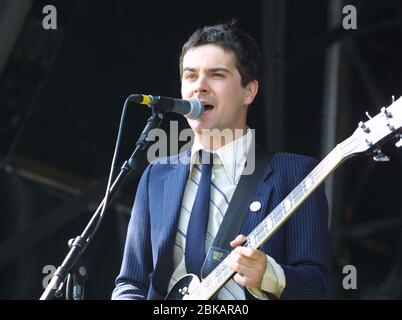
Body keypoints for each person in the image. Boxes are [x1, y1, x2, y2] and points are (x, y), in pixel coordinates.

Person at [112, 21, 332, 300]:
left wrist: (271, 275)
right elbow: (131, 284)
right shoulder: (157, 175)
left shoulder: (295, 173)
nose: (199, 87)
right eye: (190, 76)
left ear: (249, 92)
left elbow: (319, 287)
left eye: (216, 75)